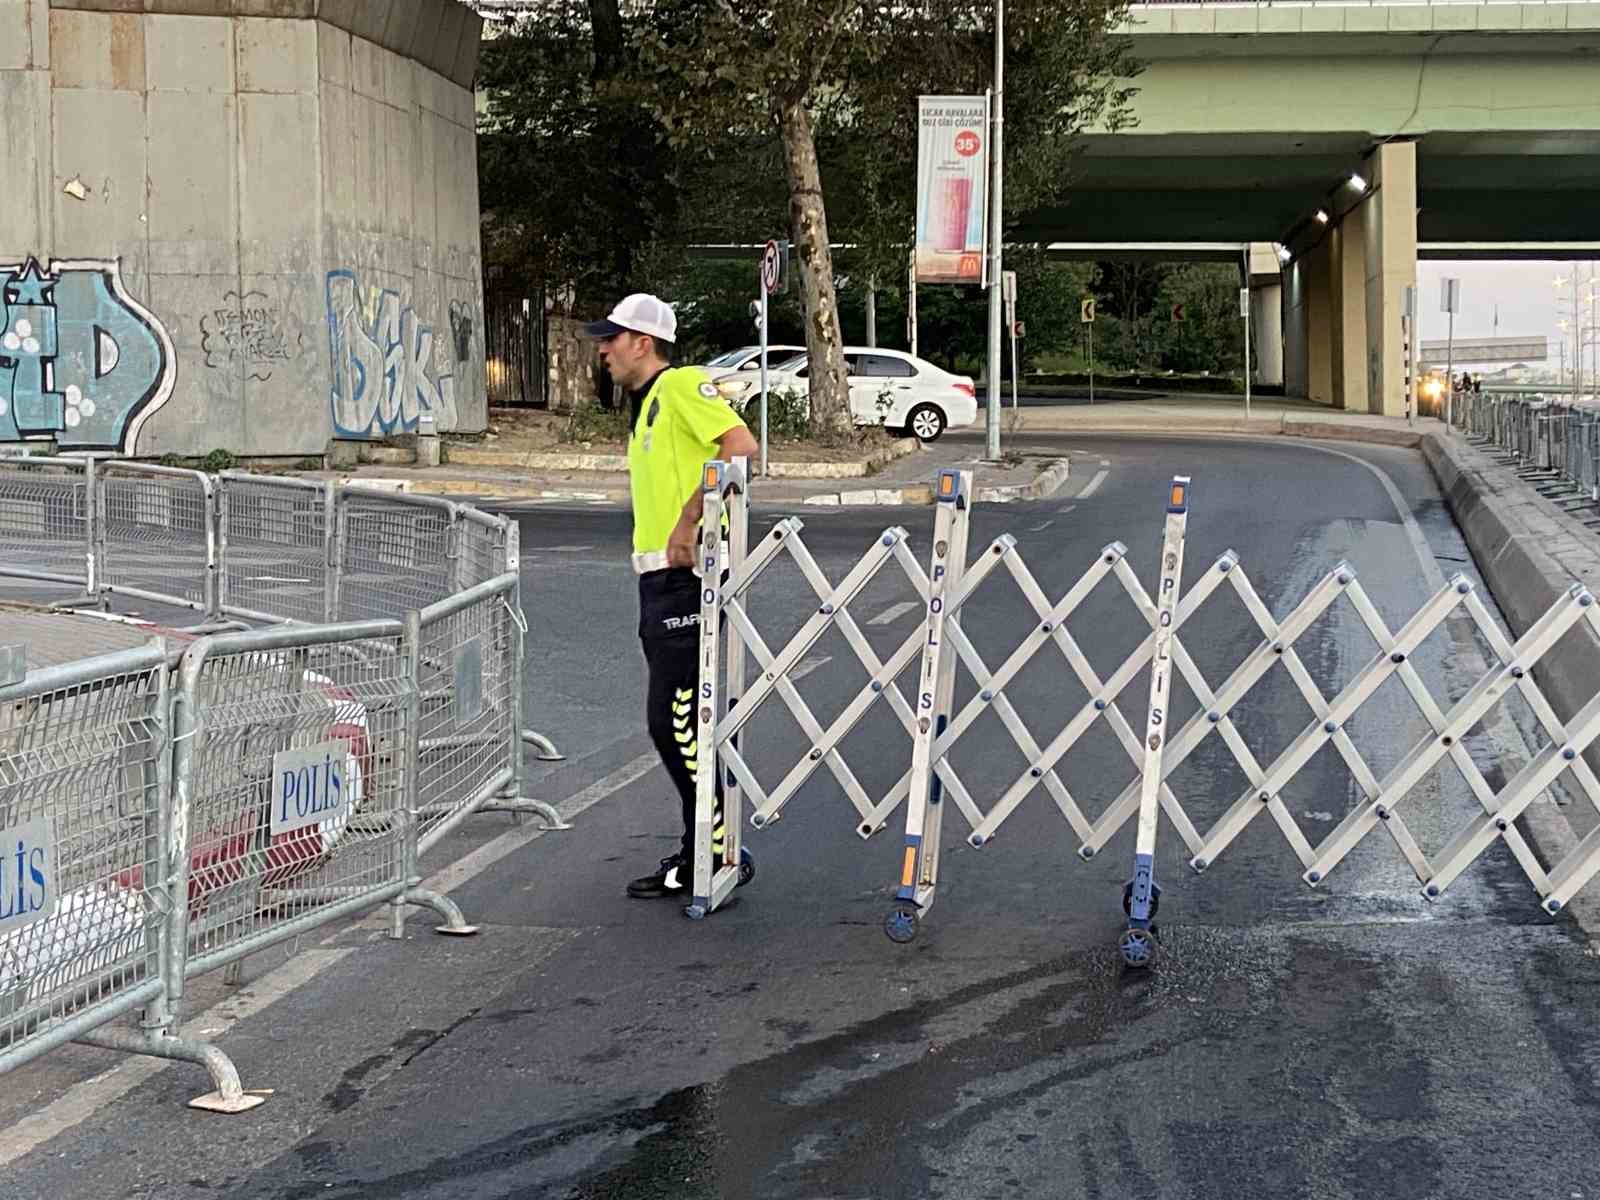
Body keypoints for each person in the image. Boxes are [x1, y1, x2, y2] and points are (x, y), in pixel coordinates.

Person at [583, 293, 761, 899]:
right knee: (679, 721)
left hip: (688, 578)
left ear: (644, 342)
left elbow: (740, 448)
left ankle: (712, 852)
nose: (602, 349)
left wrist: (692, 522)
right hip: (658, 581)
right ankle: (702, 851)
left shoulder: (682, 385)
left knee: (675, 721)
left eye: (612, 337)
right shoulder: (646, 405)